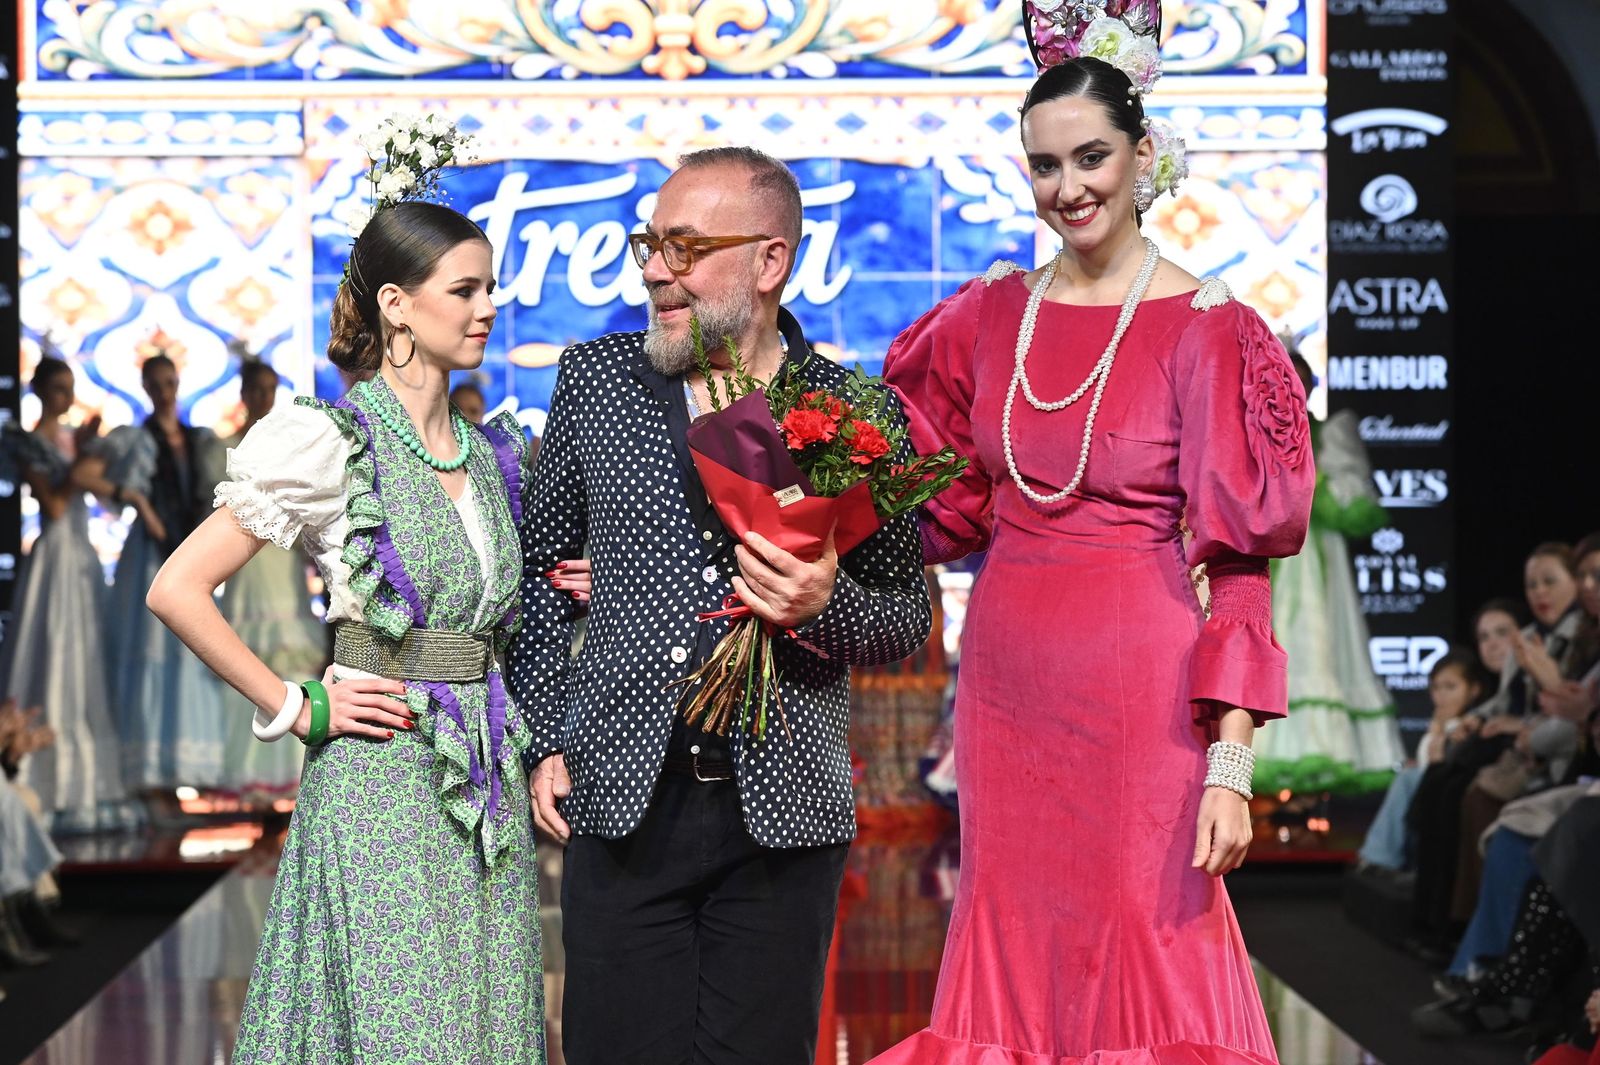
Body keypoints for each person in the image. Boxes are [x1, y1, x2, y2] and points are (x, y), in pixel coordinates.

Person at [868, 28, 1314, 1064]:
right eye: (1043, 164)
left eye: (1089, 157)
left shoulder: (1208, 328)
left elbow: (1242, 568)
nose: (1066, 187)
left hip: (1139, 692)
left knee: (1143, 938)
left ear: (1139, 156)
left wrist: (1232, 765)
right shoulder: (989, 316)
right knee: (1010, 939)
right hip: (1006, 686)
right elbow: (926, 499)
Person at [509, 145, 931, 1065]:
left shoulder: (857, 410)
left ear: (771, 261)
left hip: (782, 822)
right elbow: (536, 582)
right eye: (648, 244)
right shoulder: (596, 382)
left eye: (685, 247)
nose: (656, 269)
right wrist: (544, 737)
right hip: (620, 805)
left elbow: (907, 617)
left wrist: (822, 601)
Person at [146, 199, 550, 1063]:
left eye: (491, 288)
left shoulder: (491, 454)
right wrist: (297, 705)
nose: (486, 307)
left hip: (488, 789)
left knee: (492, 1023)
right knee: (409, 1032)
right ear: (397, 305)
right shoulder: (329, 442)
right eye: (465, 288)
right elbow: (177, 587)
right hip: (380, 783)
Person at [77, 354, 225, 792]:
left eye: (169, 382)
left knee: (190, 653)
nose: (163, 391)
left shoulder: (199, 441)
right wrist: (137, 501)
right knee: (152, 655)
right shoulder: (136, 439)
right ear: (144, 387)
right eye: (155, 384)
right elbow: (85, 473)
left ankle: (185, 774)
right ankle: (151, 782)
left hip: (191, 553)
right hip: (148, 557)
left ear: (178, 383)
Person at [1257, 349, 1402, 795]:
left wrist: (1306, 481)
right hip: (1260, 556)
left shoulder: (1331, 435)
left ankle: (1315, 789)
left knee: (1317, 643)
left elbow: (1356, 507)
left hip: (1315, 558)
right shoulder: (1244, 432)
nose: (1289, 390)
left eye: (1298, 380)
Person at [0, 357, 132, 831]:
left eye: (69, 387)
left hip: (82, 555)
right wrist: (81, 462)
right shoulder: (28, 441)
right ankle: (43, 777)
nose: (64, 396)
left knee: (86, 659)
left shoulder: (74, 438)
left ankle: (91, 783)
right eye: (57, 388)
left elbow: (102, 501)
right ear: (38, 390)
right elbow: (55, 504)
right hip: (55, 554)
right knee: (53, 652)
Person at [215, 360, 327, 803]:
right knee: (247, 659)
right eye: (255, 389)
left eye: (269, 389)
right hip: (245, 565)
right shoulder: (224, 448)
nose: (262, 397)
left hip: (283, 565)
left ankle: (291, 783)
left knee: (291, 659)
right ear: (243, 393)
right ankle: (251, 786)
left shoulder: (290, 451)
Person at [1357, 648, 1489, 874]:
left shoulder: (1470, 725)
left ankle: (1380, 858)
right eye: (1436, 687)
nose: (1441, 696)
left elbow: (1442, 770)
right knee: (1409, 777)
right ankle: (1381, 858)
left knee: (1409, 780)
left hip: (1457, 792)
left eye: (1450, 687)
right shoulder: (1439, 724)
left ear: (1473, 689)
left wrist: (1438, 737)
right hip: (1434, 795)